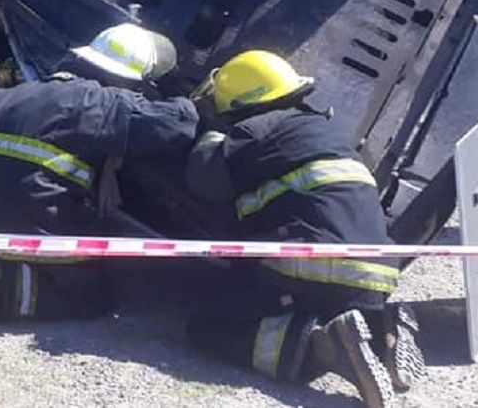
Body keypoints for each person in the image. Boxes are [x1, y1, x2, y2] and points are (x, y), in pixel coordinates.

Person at [0, 22, 199, 327]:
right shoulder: (103, 102)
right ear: (126, 77)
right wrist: (177, 91)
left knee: (33, 241)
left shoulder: (7, 96)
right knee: (93, 296)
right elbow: (180, 124)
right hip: (36, 223)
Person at [181, 50, 425, 408]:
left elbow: (203, 180)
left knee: (209, 326)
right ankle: (381, 328)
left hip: (314, 263)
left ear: (240, 100)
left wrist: (211, 133)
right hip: (378, 272)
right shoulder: (324, 131)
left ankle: (318, 347)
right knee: (330, 304)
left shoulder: (254, 128)